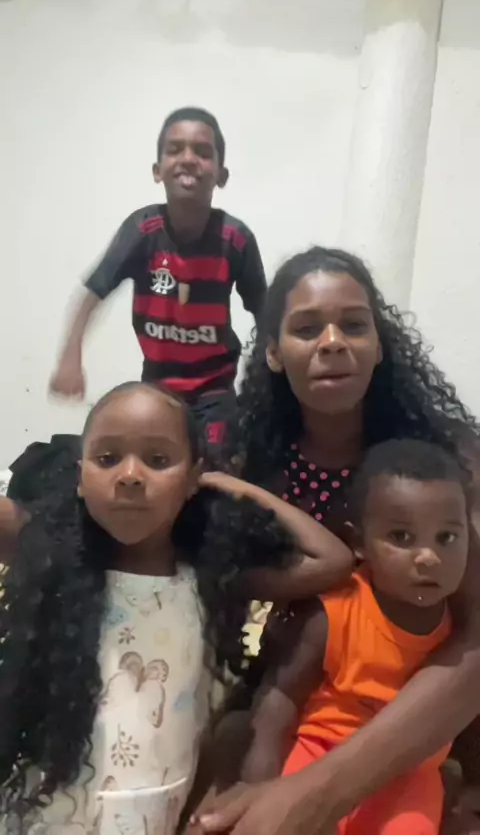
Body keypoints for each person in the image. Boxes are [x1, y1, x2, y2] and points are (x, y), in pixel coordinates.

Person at [192, 247, 480, 835]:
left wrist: (317, 793)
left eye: (354, 324)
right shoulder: (251, 467)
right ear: (273, 352)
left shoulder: (443, 465)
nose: (332, 342)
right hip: (299, 705)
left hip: (426, 725)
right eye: (306, 329)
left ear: (380, 344)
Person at [0, 380, 354, 833]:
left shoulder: (210, 576)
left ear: (191, 479)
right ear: (80, 479)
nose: (130, 475)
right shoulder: (51, 553)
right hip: (45, 815)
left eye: (158, 460)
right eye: (106, 459)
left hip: (154, 815)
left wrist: (230, 486)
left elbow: (332, 560)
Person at [240, 439, 469, 834]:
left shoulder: (463, 630)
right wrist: (258, 785)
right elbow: (280, 697)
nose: (428, 557)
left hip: (409, 775)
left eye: (446, 538)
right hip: (317, 755)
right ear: (359, 543)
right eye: (402, 537)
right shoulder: (333, 613)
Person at [49, 107, 267, 453]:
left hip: (214, 387)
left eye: (202, 152)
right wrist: (70, 356)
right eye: (175, 149)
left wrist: (268, 379)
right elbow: (93, 292)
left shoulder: (235, 239)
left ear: (221, 175)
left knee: (217, 463)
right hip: (157, 383)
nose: (188, 159)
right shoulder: (141, 231)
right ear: (157, 170)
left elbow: (265, 313)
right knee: (148, 458)